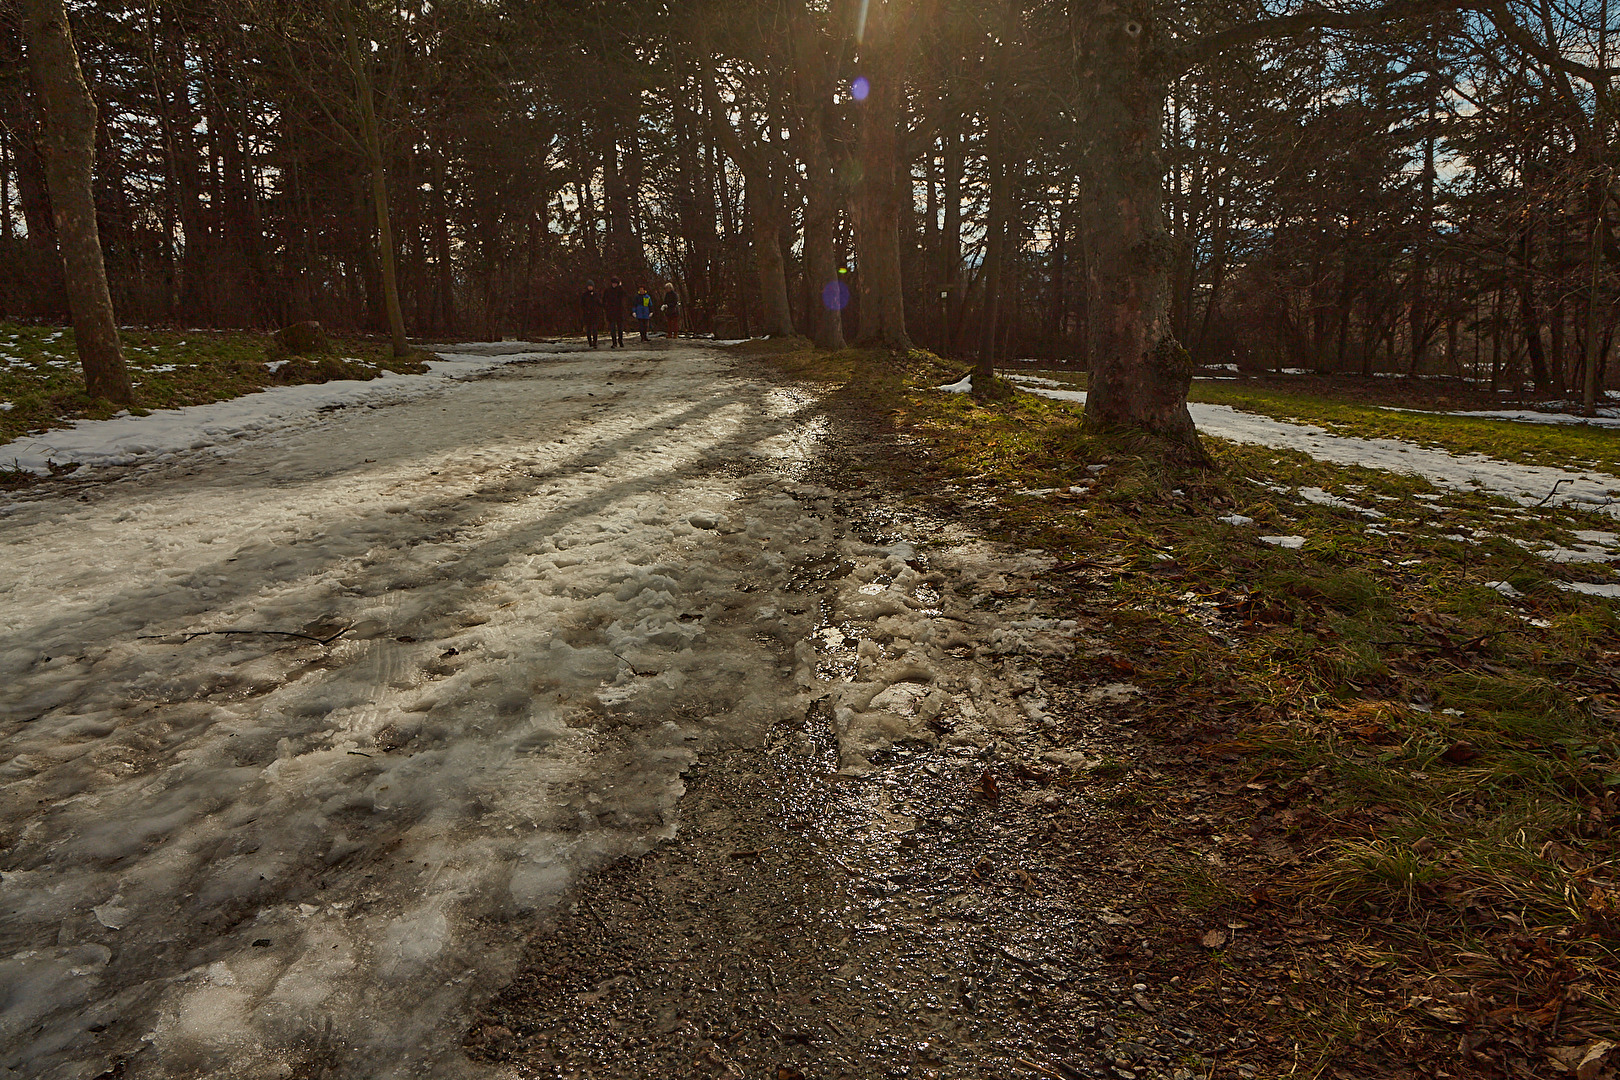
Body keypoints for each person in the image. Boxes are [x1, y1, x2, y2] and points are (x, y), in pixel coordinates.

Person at [602, 276, 627, 348]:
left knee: (620, 328)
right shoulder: (608, 291)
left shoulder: (620, 290)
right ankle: (614, 342)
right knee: (612, 328)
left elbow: (625, 296)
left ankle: (620, 340)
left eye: (615, 283)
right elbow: (604, 300)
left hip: (619, 311)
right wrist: (606, 308)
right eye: (613, 283)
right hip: (611, 312)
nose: (614, 285)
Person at [580, 281, 603, 348]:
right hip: (587, 314)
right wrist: (586, 310)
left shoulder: (596, 294)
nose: (590, 287)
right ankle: (590, 342)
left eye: (591, 286)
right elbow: (582, 305)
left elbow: (599, 303)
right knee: (588, 330)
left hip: (595, 314)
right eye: (589, 286)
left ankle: (595, 342)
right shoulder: (584, 295)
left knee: (595, 329)